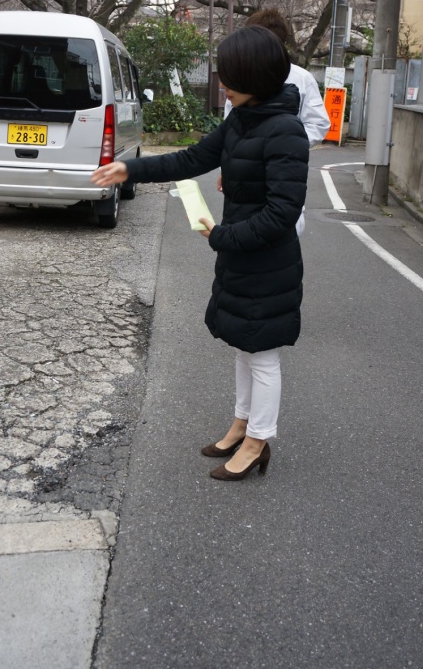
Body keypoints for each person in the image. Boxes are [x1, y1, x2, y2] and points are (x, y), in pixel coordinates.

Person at [91, 26, 309, 482]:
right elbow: (190, 159)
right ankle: (240, 425)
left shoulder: (285, 131)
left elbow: (281, 215)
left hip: (267, 261)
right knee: (243, 347)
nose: (220, 83)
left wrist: (222, 236)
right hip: (241, 254)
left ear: (250, 74)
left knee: (263, 355)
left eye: (226, 74)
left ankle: (258, 441)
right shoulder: (241, 119)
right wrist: (130, 168)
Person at [222, 8, 330, 236]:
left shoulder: (301, 78)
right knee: (240, 222)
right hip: (244, 168)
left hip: (282, 167)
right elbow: (229, 124)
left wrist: (286, 143)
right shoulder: (240, 75)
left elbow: (319, 124)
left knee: (282, 226)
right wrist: (228, 164)